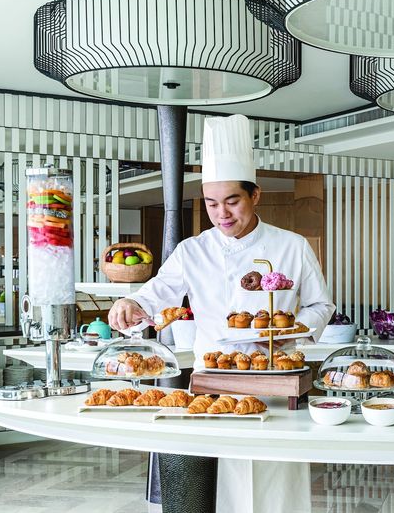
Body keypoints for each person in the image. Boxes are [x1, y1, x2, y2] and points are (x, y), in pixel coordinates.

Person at [109, 114, 334, 513]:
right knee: (214, 484)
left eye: (232, 201)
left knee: (274, 479)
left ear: (255, 195)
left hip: (273, 377)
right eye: (212, 203)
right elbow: (156, 294)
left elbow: (321, 305)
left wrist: (293, 333)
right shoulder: (192, 250)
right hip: (212, 381)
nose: (221, 213)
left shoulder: (292, 246)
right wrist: (131, 305)